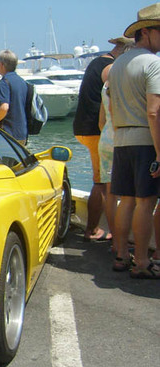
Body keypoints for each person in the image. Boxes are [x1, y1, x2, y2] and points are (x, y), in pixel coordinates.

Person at [109, 3, 160, 279]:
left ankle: (120, 255)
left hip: (121, 138)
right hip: (145, 139)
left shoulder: (118, 64)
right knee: (146, 201)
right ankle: (141, 261)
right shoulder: (153, 63)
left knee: (126, 200)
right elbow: (154, 111)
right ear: (148, 32)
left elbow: (113, 106)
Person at [74, 38, 132, 242]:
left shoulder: (98, 61)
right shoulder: (110, 68)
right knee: (103, 184)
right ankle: (94, 230)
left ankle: (95, 229)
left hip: (86, 128)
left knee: (101, 182)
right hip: (96, 131)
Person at [97, 38, 135, 244]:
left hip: (107, 139)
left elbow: (102, 120)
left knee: (110, 193)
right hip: (126, 139)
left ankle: (114, 237)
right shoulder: (133, 82)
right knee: (132, 197)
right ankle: (128, 240)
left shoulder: (107, 84)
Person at [0, 50, 28, 144]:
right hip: (22, 132)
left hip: (8, 133)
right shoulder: (22, 82)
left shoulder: (4, 82)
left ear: (2, 64)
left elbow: (4, 107)